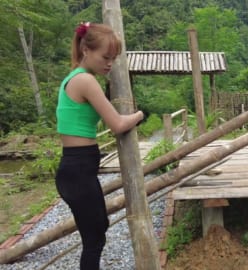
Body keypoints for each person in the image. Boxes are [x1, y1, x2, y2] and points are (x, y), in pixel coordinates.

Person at [55, 22, 143, 270]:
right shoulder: (85, 80)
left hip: (78, 170)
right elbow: (116, 123)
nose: (109, 64)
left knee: (98, 229)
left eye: (113, 59)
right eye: (105, 57)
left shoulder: (74, 78)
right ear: (86, 50)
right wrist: (138, 115)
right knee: (94, 239)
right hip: (77, 171)